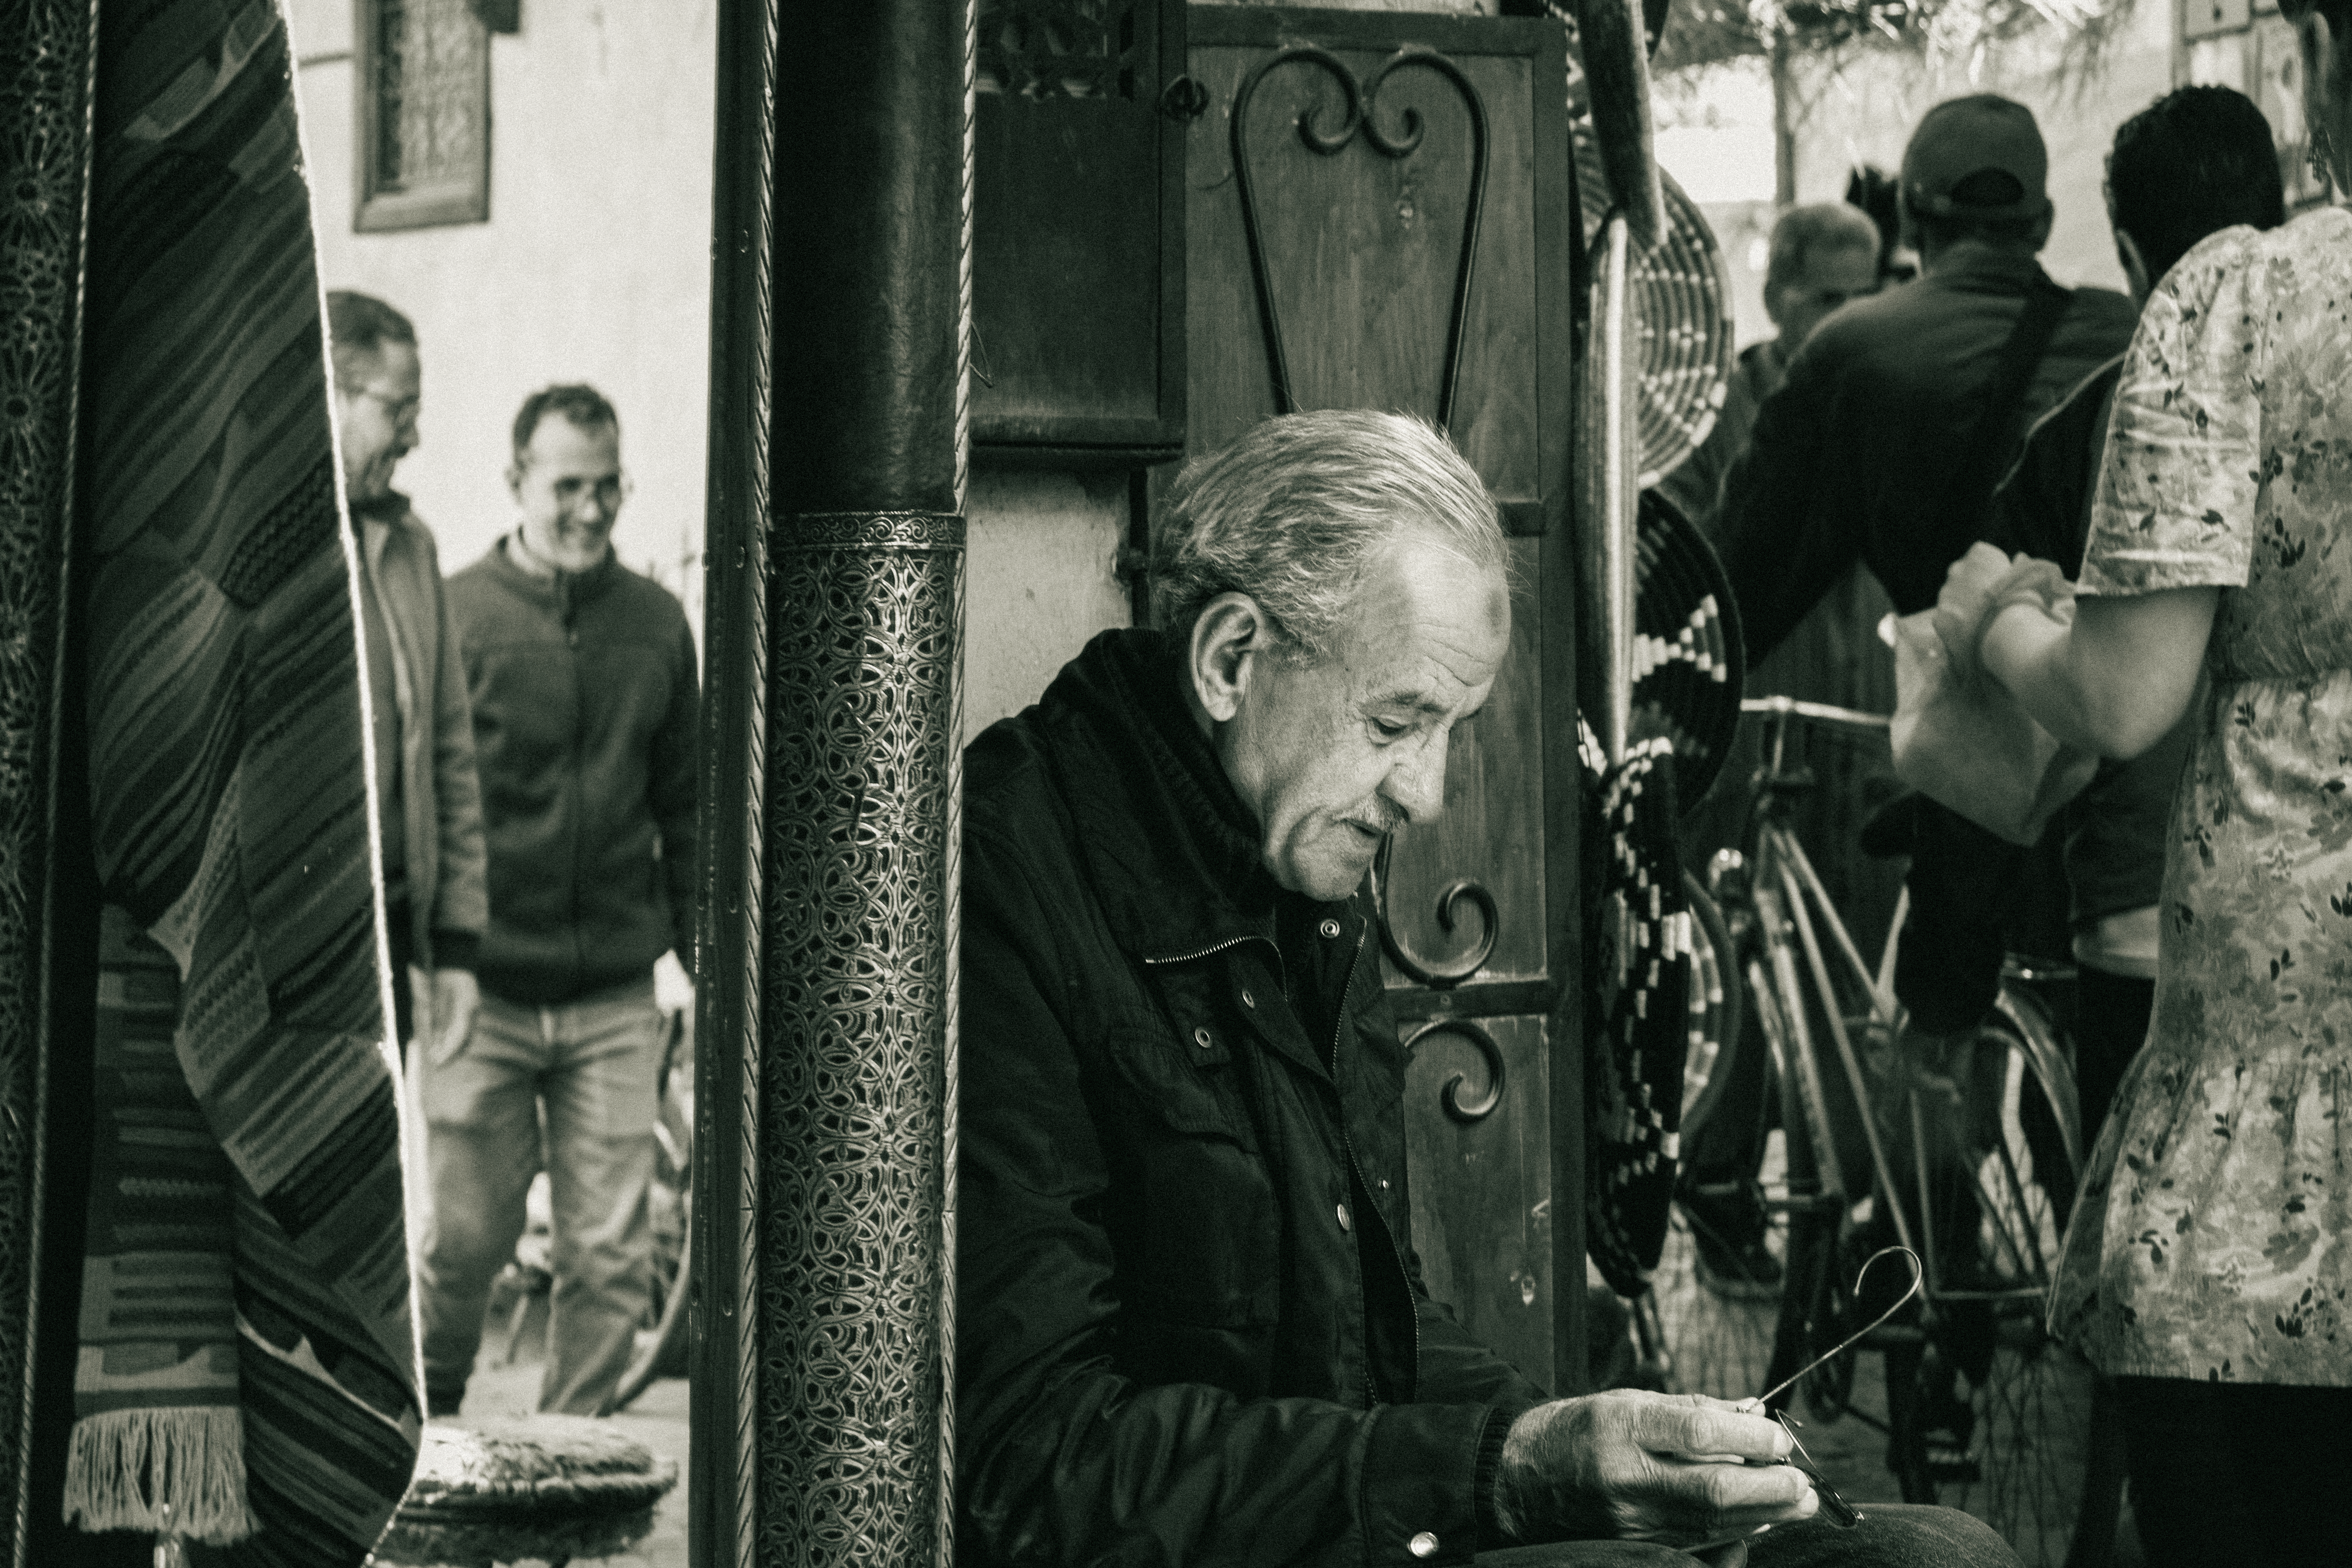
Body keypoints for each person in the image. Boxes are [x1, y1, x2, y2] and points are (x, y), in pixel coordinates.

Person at [958, 408, 2020, 1566]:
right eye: (1397, 722)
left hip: (1343, 1525)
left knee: (1936, 1547)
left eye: (1451, 730)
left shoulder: (1284, 855)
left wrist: (1588, 1451)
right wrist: (1506, 1473)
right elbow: (1034, 1467)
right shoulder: (1008, 882)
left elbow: (1380, 1324)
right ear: (1229, 659)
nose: (1424, 794)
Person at [1935, 5, 2352, 1556]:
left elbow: (2123, 695)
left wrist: (2003, 627)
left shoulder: (2240, 303)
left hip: (2271, 1056)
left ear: (2310, 62)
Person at [1717, 93, 2140, 1052]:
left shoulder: (1857, 351)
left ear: (1909, 223)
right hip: (2128, 769)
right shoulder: (2127, 334)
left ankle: (1928, 1151)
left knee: (1933, 1038)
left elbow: (1741, 576)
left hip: (1973, 778)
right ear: (2038, 223)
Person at [1976, 86, 2284, 1142]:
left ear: (2127, 250)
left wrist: (1994, 624)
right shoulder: (2323, 367)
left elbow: (2104, 704)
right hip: (2312, 911)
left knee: (2132, 1238)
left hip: (2151, 905)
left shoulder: (2106, 420)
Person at [424, 384, 699, 1417]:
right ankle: (426, 1434)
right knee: (461, 1248)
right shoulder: (457, 616)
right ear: (517, 483)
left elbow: (686, 804)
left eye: (609, 486)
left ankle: (567, 1467)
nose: (592, 510)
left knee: (608, 1257)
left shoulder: (659, 626)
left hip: (612, 1004)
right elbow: (421, 811)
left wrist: (706, 958)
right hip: (479, 998)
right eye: (568, 487)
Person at [326, 290, 487, 1058]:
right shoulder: (251, 543)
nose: (415, 436)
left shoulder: (412, 548)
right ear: (332, 395)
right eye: (400, 409)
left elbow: (450, 750)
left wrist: (454, 948)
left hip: (389, 942)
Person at [1659, 202, 1882, 534]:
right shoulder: (1706, 416)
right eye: (1829, 301)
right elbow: (1682, 550)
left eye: (1864, 300)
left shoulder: (1885, 402)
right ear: (1773, 301)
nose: (1851, 320)